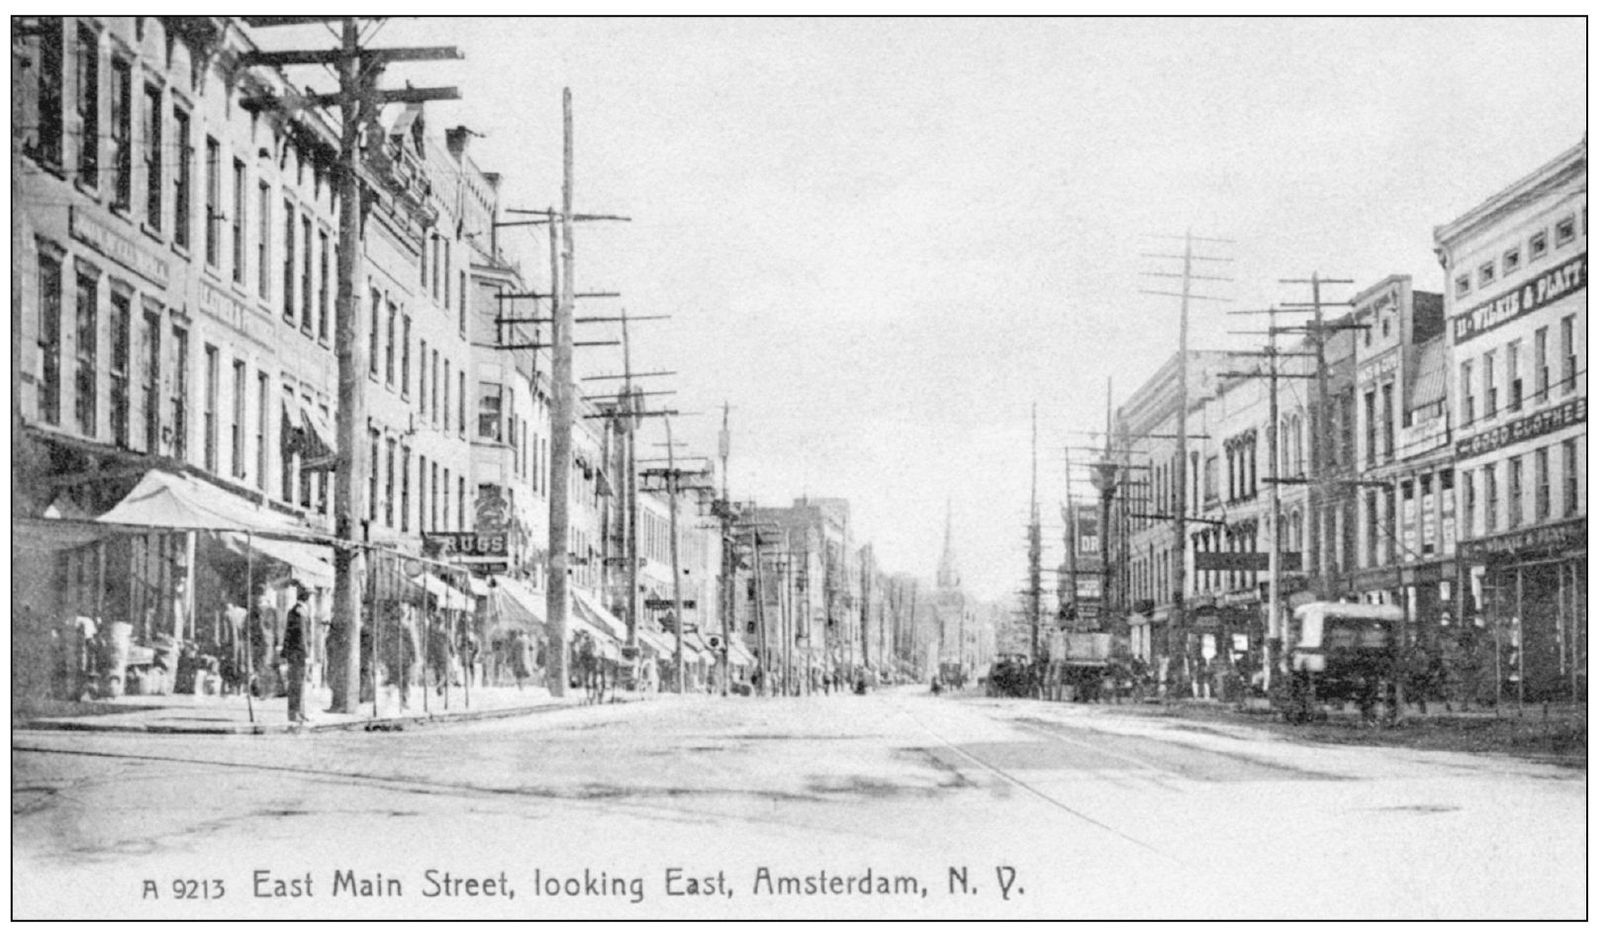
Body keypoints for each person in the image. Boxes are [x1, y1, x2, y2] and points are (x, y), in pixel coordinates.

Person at [281, 584, 310, 723]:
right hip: (299, 654)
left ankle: (298, 712)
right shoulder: (300, 611)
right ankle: (296, 713)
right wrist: (306, 653)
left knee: (297, 684)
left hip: (294, 653)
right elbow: (303, 635)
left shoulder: (294, 611)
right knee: (297, 684)